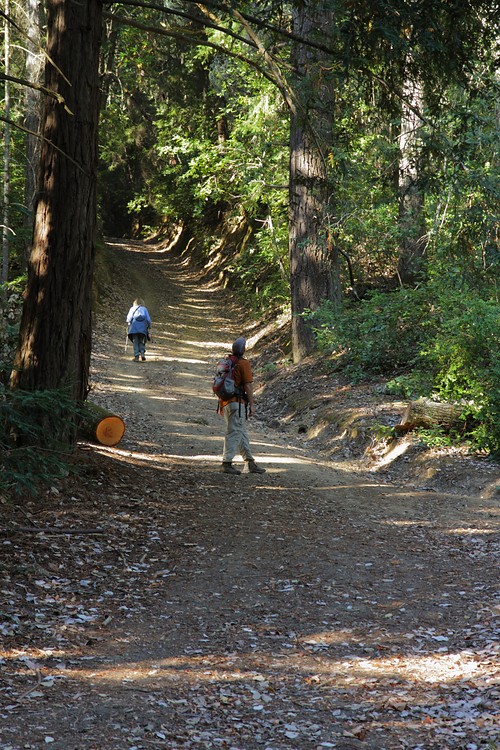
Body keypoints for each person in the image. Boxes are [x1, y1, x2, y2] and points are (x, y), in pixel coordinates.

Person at [219, 337, 266, 475]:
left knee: (240, 431)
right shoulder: (243, 363)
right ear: (243, 350)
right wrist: (252, 404)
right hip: (237, 403)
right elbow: (248, 386)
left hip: (225, 402)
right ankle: (226, 463)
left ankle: (249, 463)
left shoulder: (227, 361)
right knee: (234, 432)